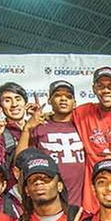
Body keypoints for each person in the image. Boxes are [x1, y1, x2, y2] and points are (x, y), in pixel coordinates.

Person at [72, 67, 111, 211]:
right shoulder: (84, 112)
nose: (106, 91)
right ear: (94, 89)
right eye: (101, 86)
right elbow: (59, 117)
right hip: (93, 199)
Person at [22, 80, 87, 211]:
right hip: (48, 206)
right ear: (50, 100)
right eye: (58, 95)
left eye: (68, 96)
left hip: (78, 205)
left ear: (74, 103)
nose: (63, 99)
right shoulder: (39, 126)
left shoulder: (83, 125)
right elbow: (20, 159)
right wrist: (27, 129)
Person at [0, 81, 29, 187]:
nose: (14, 104)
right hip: (13, 195)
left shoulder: (37, 129)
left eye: (18, 99)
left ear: (25, 102)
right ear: (0, 106)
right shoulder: (0, 133)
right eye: (7, 100)